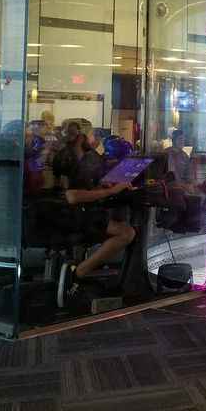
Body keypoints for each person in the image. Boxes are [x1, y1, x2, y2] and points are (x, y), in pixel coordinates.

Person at [57, 130, 137, 307]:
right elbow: (72, 196)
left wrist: (103, 185)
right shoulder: (81, 161)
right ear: (81, 137)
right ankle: (79, 273)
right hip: (74, 217)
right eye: (90, 135)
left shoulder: (81, 159)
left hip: (75, 214)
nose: (94, 139)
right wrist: (110, 191)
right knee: (126, 233)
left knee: (119, 225)